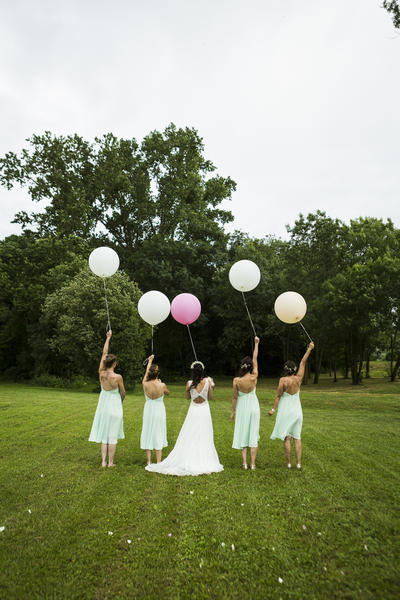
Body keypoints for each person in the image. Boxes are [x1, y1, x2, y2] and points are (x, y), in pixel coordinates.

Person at [145, 361, 223, 476]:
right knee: (204, 433)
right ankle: (203, 457)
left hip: (193, 410)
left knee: (190, 433)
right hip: (204, 411)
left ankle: (190, 455)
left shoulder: (189, 383)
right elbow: (210, 397)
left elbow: (188, 397)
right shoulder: (207, 382)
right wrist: (210, 387)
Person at [269, 341, 314, 469]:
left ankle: (289, 463)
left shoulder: (283, 381)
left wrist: (273, 409)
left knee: (287, 438)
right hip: (297, 412)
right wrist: (309, 349)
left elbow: (278, 396)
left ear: (285, 369)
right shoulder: (298, 379)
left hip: (286, 412)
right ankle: (298, 463)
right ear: (294, 369)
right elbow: (303, 362)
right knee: (297, 437)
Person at [88, 330, 126, 467]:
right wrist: (120, 402)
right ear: (114, 364)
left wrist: (108, 338)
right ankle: (110, 463)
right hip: (115, 406)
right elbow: (123, 393)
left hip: (103, 406)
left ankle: (103, 462)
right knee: (113, 435)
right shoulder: (118, 377)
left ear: (105, 363)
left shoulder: (101, 373)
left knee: (105, 436)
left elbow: (104, 354)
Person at [231, 336, 260, 470]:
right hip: (254, 407)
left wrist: (232, 412)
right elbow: (255, 359)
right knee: (253, 433)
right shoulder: (254, 376)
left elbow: (234, 398)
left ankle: (244, 463)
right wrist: (256, 344)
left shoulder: (236, 380)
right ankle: (253, 464)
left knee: (243, 432)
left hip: (242, 408)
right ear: (251, 367)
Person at [141, 354, 170, 466]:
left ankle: (149, 461)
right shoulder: (162, 385)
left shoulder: (144, 384)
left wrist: (150, 361)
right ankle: (158, 461)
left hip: (148, 410)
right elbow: (168, 393)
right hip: (158, 410)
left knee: (148, 431)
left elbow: (145, 376)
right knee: (158, 431)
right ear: (158, 374)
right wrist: (160, 383)